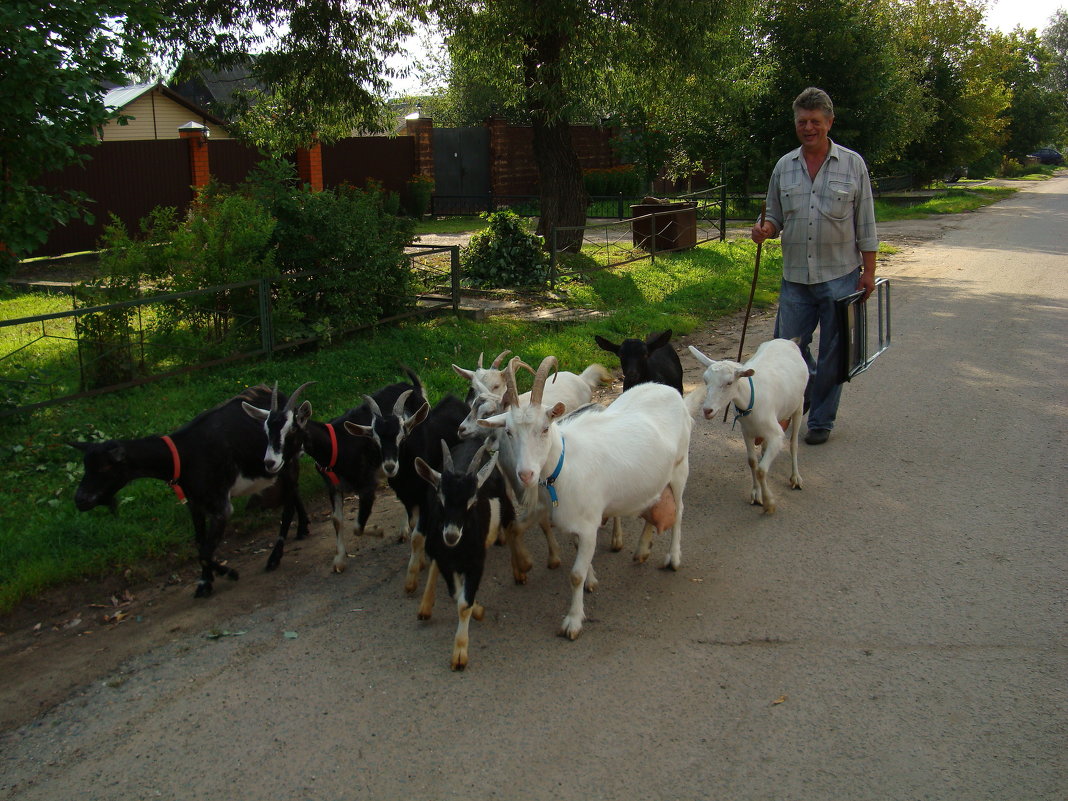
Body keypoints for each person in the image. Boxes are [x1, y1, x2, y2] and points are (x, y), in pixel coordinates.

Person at [751, 87, 878, 445]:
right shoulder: (784, 166)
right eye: (802, 122)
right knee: (785, 349)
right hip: (795, 278)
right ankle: (800, 394)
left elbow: (865, 223)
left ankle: (820, 419)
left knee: (834, 352)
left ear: (829, 122)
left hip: (840, 276)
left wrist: (868, 272)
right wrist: (765, 229)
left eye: (815, 122)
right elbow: (774, 215)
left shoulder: (852, 164)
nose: (808, 128)